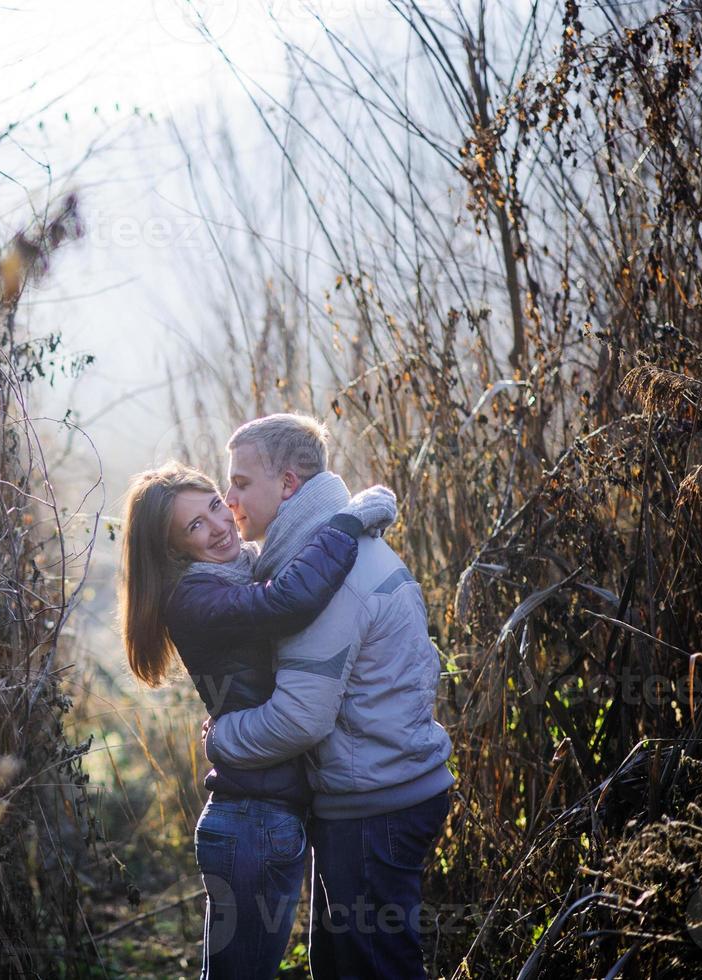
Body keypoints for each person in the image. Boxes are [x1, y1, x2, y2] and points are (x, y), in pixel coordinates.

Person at [117, 460, 397, 979]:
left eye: (216, 506)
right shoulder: (196, 597)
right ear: (173, 549)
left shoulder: (235, 570)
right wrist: (347, 522)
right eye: (194, 526)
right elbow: (288, 602)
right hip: (250, 823)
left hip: (265, 815)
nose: (220, 525)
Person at [203, 413, 454, 980]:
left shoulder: (325, 578)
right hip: (378, 794)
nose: (229, 496)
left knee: (374, 969)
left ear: (288, 484)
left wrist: (223, 738)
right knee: (343, 967)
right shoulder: (330, 553)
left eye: (241, 482)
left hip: (377, 806)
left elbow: (299, 719)